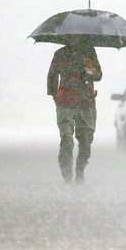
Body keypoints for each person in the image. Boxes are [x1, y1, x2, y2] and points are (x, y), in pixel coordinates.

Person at [47, 35, 102, 184]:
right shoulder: (60, 54)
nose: (74, 38)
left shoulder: (90, 52)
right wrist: (55, 95)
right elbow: (52, 76)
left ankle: (80, 170)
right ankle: (67, 175)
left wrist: (90, 69)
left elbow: (98, 76)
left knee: (86, 141)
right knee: (66, 138)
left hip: (86, 102)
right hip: (65, 102)